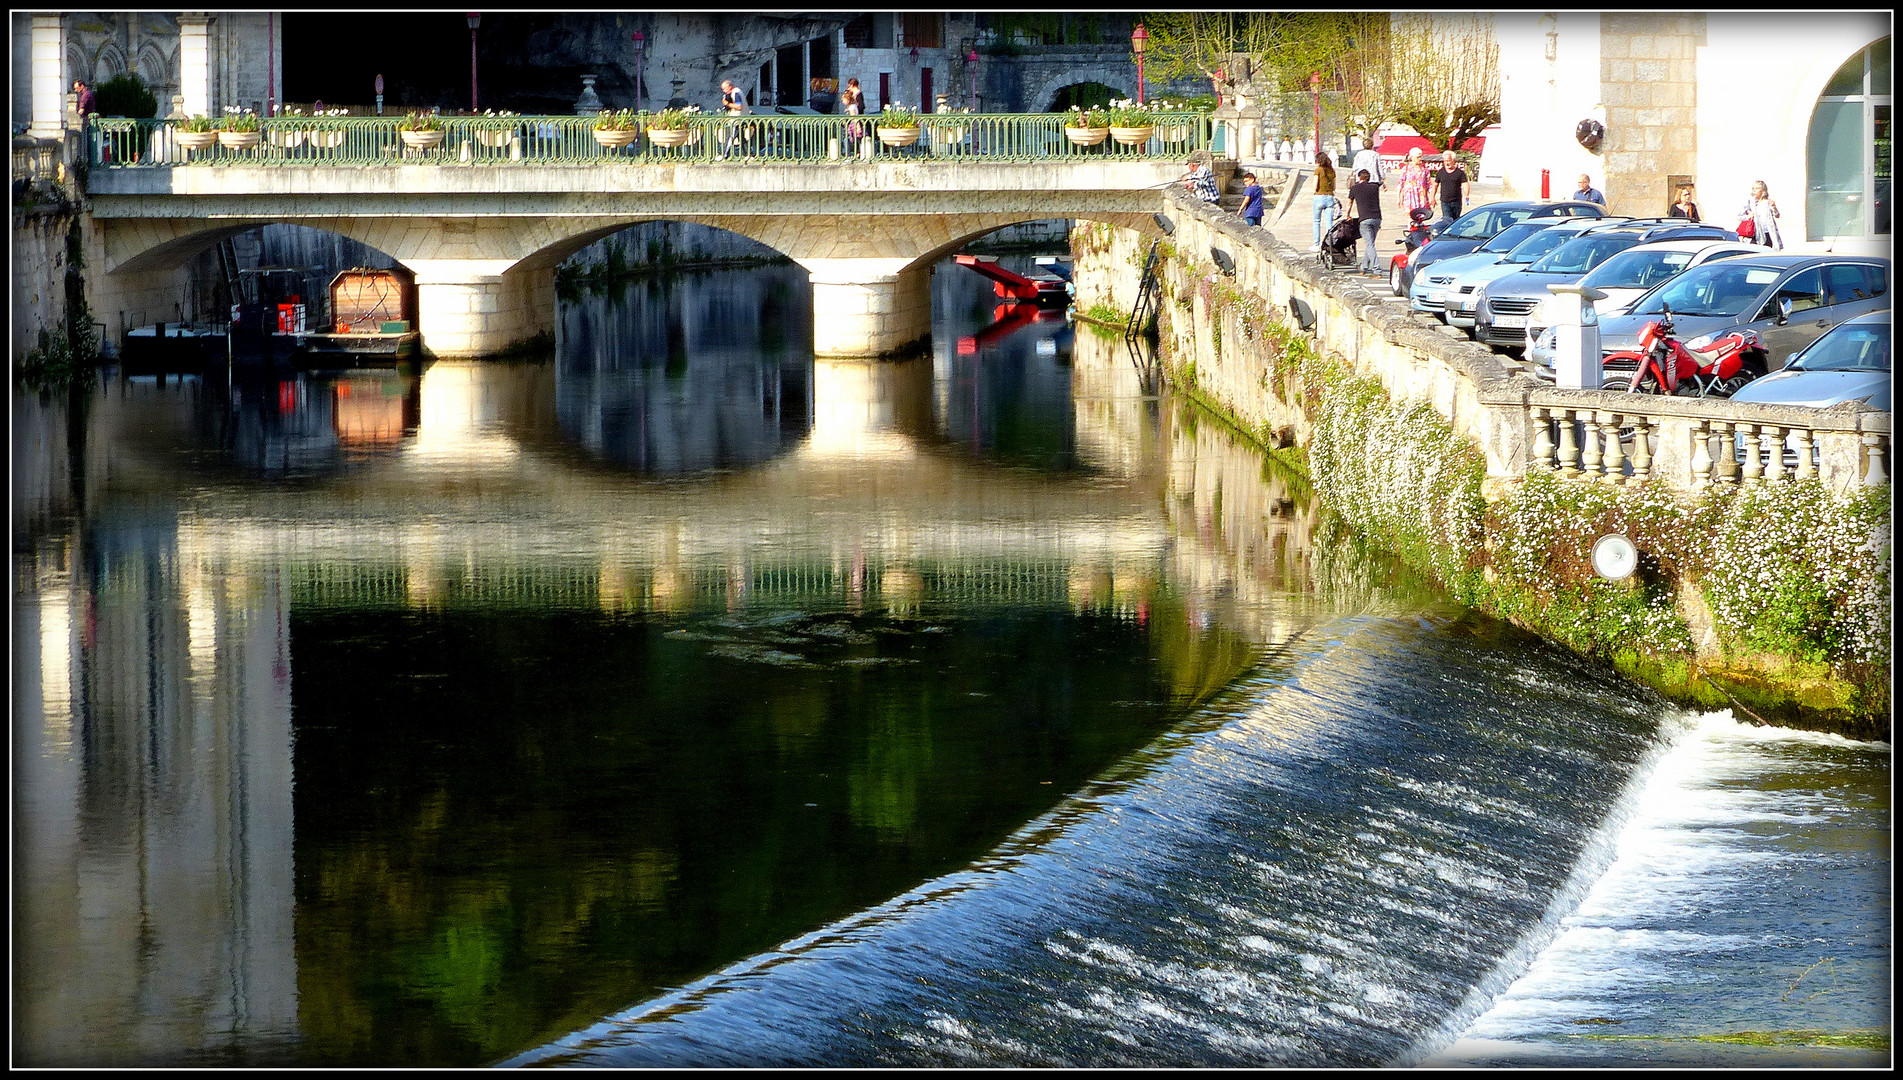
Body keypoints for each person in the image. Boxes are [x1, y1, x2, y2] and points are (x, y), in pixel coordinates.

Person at [1347, 168, 1383, 274]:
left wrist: (1348, 215)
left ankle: (1377, 270)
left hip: (1364, 219)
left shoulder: (1355, 188)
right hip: (1377, 218)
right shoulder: (1375, 187)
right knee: (1370, 243)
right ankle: (1363, 267)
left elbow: (1349, 203)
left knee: (1369, 245)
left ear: (1359, 177)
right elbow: (1379, 181)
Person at [1740, 180, 1783, 249]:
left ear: (1763, 190)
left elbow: (1777, 215)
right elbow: (1740, 216)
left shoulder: (1767, 202)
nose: (1754, 190)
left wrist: (1774, 207)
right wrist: (1748, 216)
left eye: (1757, 188)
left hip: (1767, 233)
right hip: (1754, 234)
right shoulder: (1750, 202)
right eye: (1753, 188)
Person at [1310, 152, 1338, 252]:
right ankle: (1329, 244)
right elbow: (1334, 187)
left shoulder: (1318, 170)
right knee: (1329, 222)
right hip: (1330, 197)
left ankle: (1316, 244)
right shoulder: (1332, 171)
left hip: (1319, 197)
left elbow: (1314, 186)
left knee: (1317, 221)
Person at [1397, 146, 1433, 222]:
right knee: (1411, 217)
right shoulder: (1406, 169)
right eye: (1418, 157)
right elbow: (1400, 183)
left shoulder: (1424, 169)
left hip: (1422, 196)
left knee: (1422, 216)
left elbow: (1429, 184)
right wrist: (1399, 197)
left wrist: (1432, 197)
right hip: (1411, 196)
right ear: (1412, 157)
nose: (1420, 159)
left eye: (1421, 156)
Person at [1432, 150, 1469, 222]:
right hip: (1445, 201)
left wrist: (1466, 195)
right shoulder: (1441, 172)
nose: (1446, 163)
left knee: (1456, 221)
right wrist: (1432, 198)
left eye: (1448, 161)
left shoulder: (1460, 173)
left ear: (1453, 160)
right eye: (1445, 161)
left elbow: (1465, 184)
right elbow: (1435, 185)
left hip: (1456, 201)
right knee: (1447, 220)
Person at [718, 78, 748, 158]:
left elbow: (739, 106)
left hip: (736, 119)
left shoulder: (736, 93)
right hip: (740, 118)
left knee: (730, 137)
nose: (724, 91)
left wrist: (727, 104)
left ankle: (724, 155)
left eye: (724, 89)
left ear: (730, 86)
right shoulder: (737, 92)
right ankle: (747, 154)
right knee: (741, 138)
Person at [842, 77, 864, 141]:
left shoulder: (858, 94)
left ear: (852, 85)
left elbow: (861, 106)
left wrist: (853, 107)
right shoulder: (853, 94)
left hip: (856, 119)